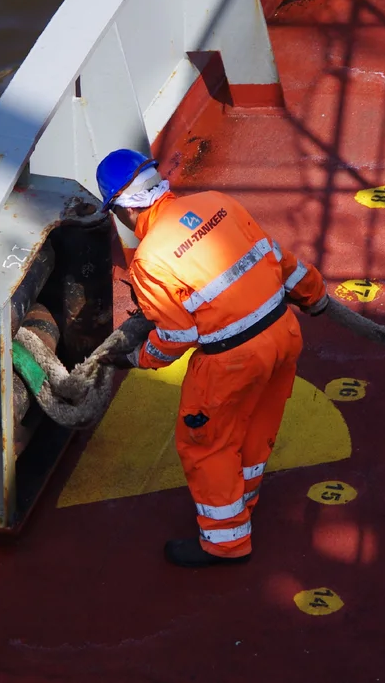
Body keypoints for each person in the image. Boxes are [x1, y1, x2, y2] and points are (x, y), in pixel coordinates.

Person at [95, 148, 329, 568]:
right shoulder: (217, 202)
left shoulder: (149, 260)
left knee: (205, 446)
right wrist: (314, 294)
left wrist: (136, 358)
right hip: (283, 334)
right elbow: (278, 259)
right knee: (257, 425)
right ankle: (243, 503)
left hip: (232, 360)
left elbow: (176, 336)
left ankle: (225, 543)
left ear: (124, 211)